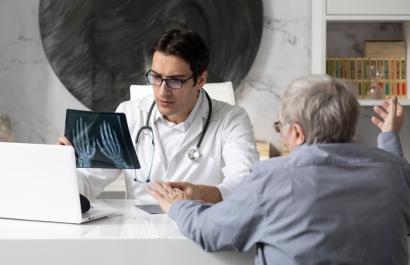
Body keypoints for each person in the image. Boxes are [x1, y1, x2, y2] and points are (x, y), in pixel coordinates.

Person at [148, 75, 410, 265]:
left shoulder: (272, 178)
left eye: (280, 127)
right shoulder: (395, 171)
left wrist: (177, 205)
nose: (282, 136)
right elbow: (396, 182)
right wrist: (389, 137)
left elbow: (209, 232)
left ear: (296, 132)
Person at [58, 28, 259, 204]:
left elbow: (246, 184)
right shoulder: (129, 115)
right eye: (155, 77)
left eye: (175, 81)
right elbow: (88, 182)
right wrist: (63, 167)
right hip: (140, 236)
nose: (162, 91)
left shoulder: (232, 120)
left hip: (199, 231)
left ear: (200, 80)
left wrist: (200, 193)